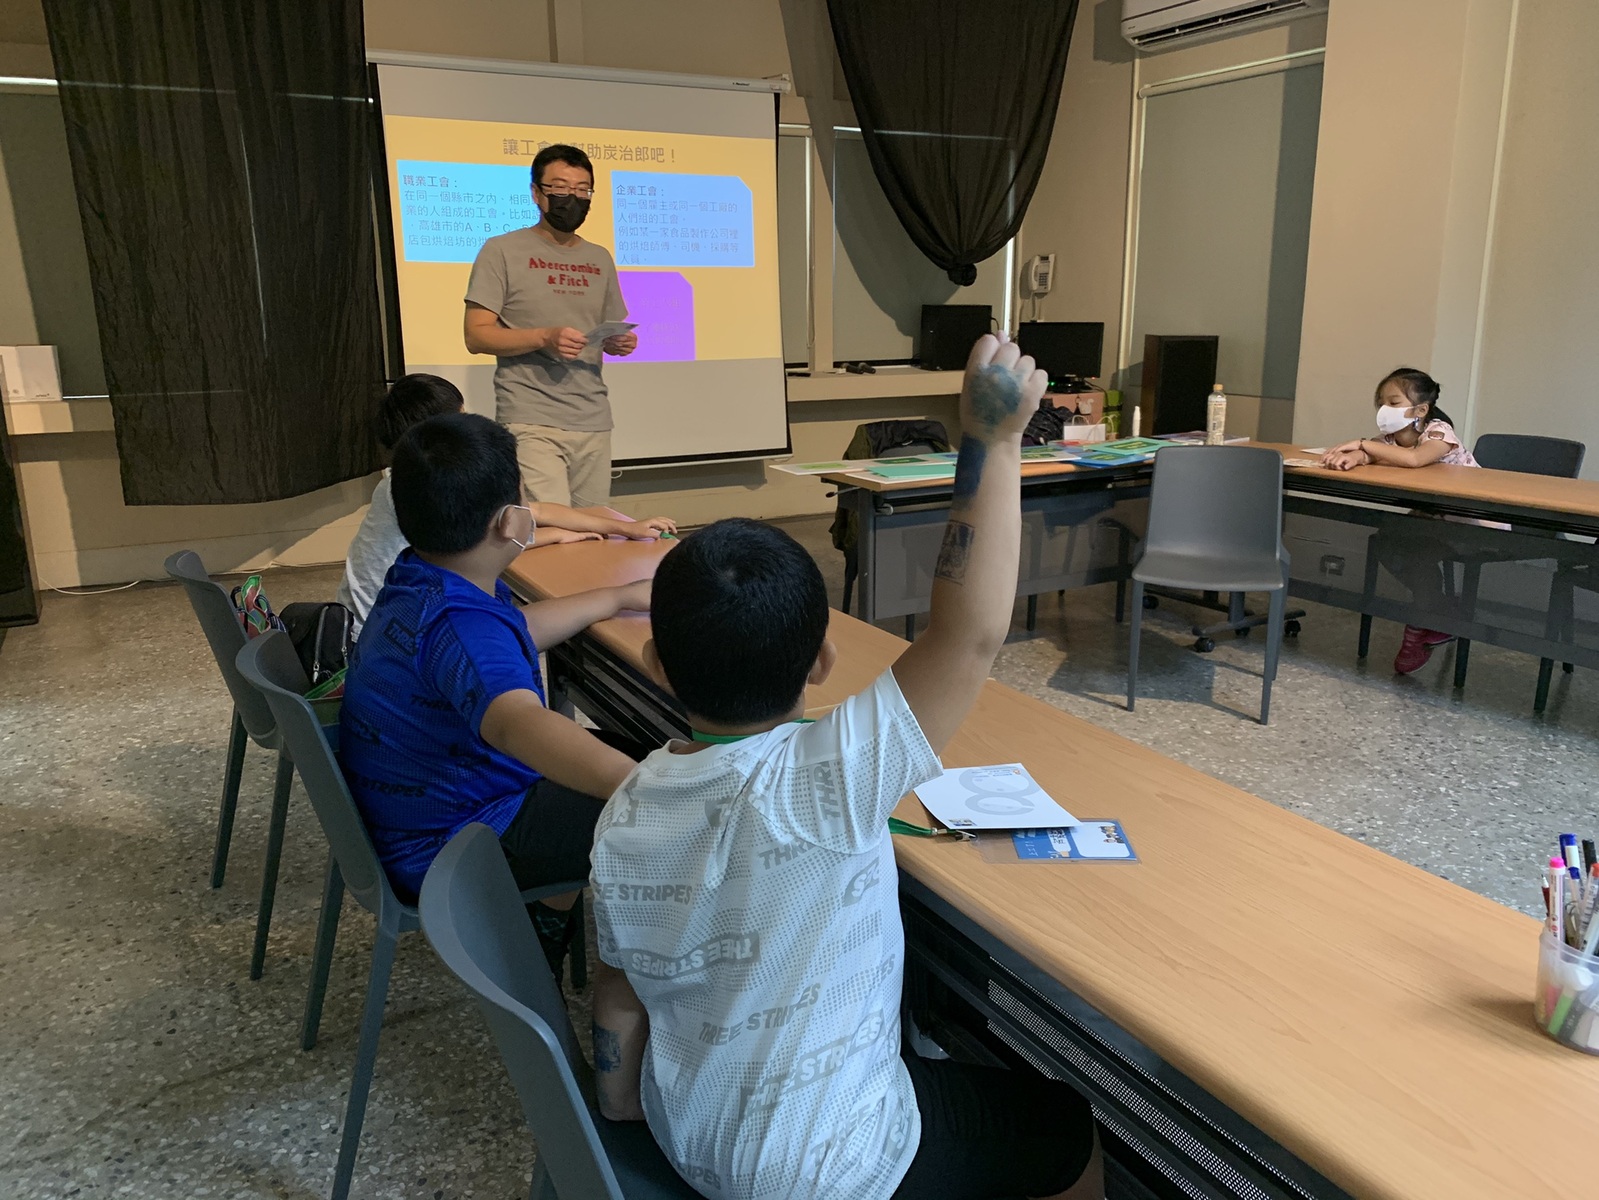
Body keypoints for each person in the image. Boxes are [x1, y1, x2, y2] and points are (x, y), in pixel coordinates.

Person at [586, 334, 1103, 1200]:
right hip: (836, 1169)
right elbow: (967, 634)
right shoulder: (829, 779)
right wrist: (993, 438)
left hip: (690, 1142)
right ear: (822, 661)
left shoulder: (625, 808)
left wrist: (615, 1102)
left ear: (657, 666)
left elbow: (618, 996)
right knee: (1066, 1128)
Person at [339, 411, 649, 975]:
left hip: (424, 813)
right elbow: (518, 724)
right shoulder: (463, 624)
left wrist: (613, 598)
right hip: (457, 844)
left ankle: (541, 923)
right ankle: (557, 952)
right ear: (512, 520)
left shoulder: (420, 580)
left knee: (628, 750)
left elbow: (507, 641)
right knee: (656, 801)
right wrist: (654, 790)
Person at [337, 373, 676, 636]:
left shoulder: (406, 480)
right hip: (377, 627)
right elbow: (494, 532)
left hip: (374, 624)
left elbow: (531, 515)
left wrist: (622, 527)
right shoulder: (430, 487)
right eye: (462, 415)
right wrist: (545, 535)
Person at [463, 144, 637, 509]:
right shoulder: (502, 250)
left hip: (593, 416)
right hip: (531, 417)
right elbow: (476, 334)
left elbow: (607, 327)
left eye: (582, 190)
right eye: (560, 188)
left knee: (594, 534)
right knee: (551, 531)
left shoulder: (599, 257)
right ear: (536, 193)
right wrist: (544, 337)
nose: (571, 198)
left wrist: (617, 341)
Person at [1320, 368, 1482, 674]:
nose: (1385, 410)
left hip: (1471, 523)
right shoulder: (1392, 438)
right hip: (1432, 521)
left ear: (1420, 409)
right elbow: (1378, 455)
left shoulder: (1439, 433)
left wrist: (1361, 444)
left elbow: (1414, 459)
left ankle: (1429, 618)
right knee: (1387, 541)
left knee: (1411, 548)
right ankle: (1438, 613)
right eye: (1381, 402)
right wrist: (1353, 457)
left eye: (1393, 402)